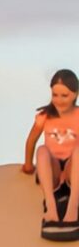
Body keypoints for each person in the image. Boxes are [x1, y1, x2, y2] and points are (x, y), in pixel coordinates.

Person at [21, 69, 79, 223]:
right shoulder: (45, 116)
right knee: (42, 150)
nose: (59, 100)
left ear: (75, 94)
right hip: (51, 168)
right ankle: (51, 206)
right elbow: (31, 140)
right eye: (55, 95)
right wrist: (28, 165)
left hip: (72, 169)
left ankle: (73, 207)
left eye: (64, 95)